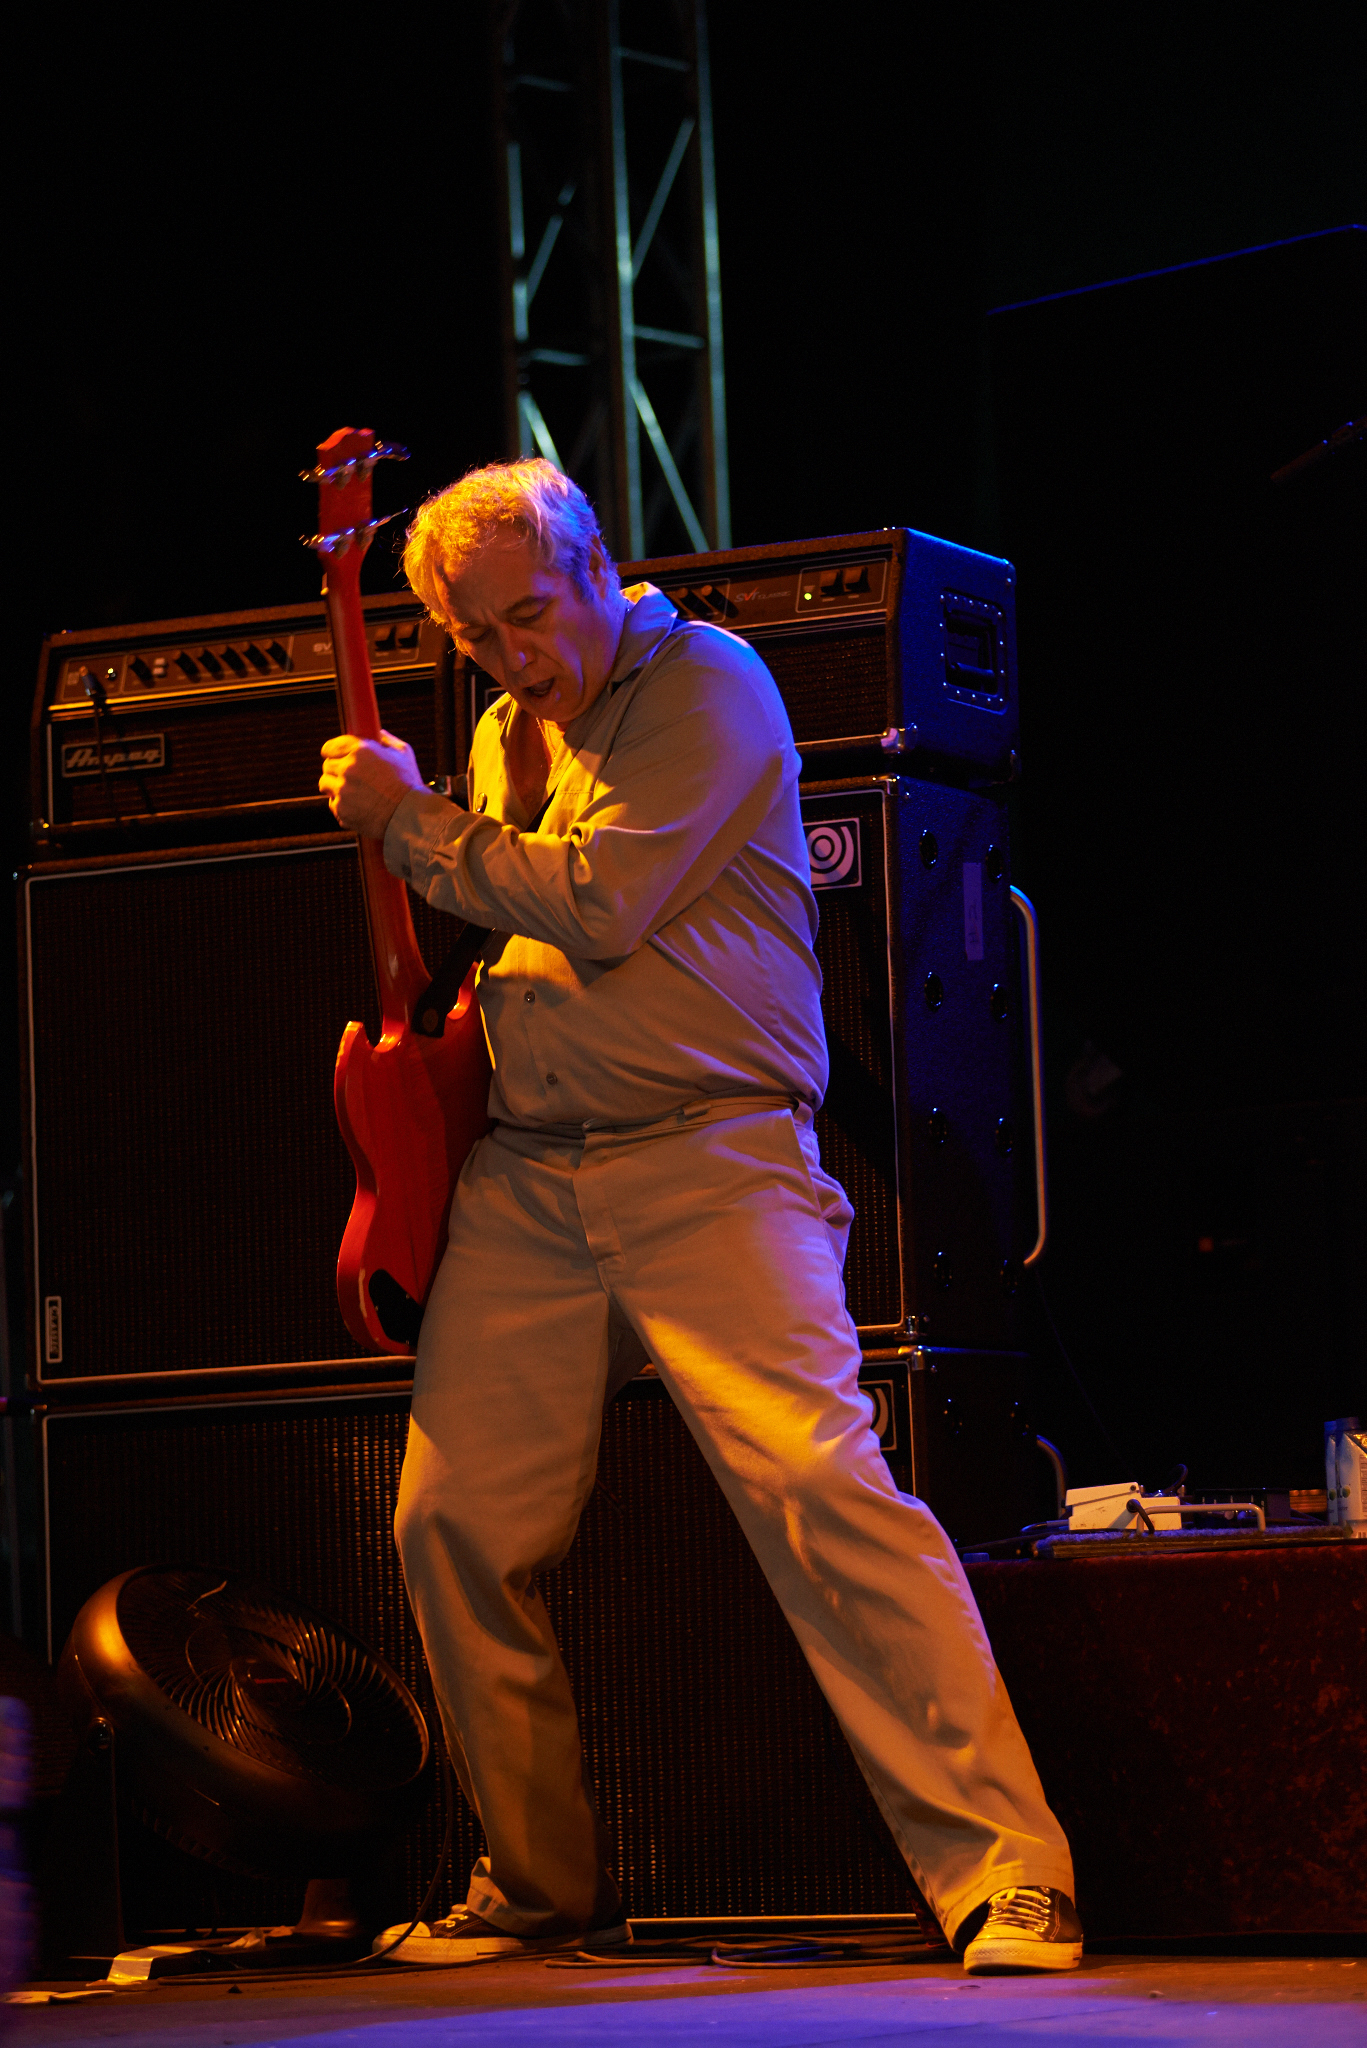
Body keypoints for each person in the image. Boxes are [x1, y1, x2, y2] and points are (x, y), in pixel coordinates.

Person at [319, 457, 1083, 1975]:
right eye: (475, 636)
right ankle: (536, 1888)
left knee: (821, 1492)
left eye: (528, 616)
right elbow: (502, 917)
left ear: (601, 562)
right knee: (450, 1520)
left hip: (711, 1157)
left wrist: (410, 825)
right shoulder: (499, 726)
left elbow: (603, 901)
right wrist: (431, 833)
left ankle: (1013, 1871)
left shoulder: (709, 685)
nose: (509, 655)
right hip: (534, 1176)